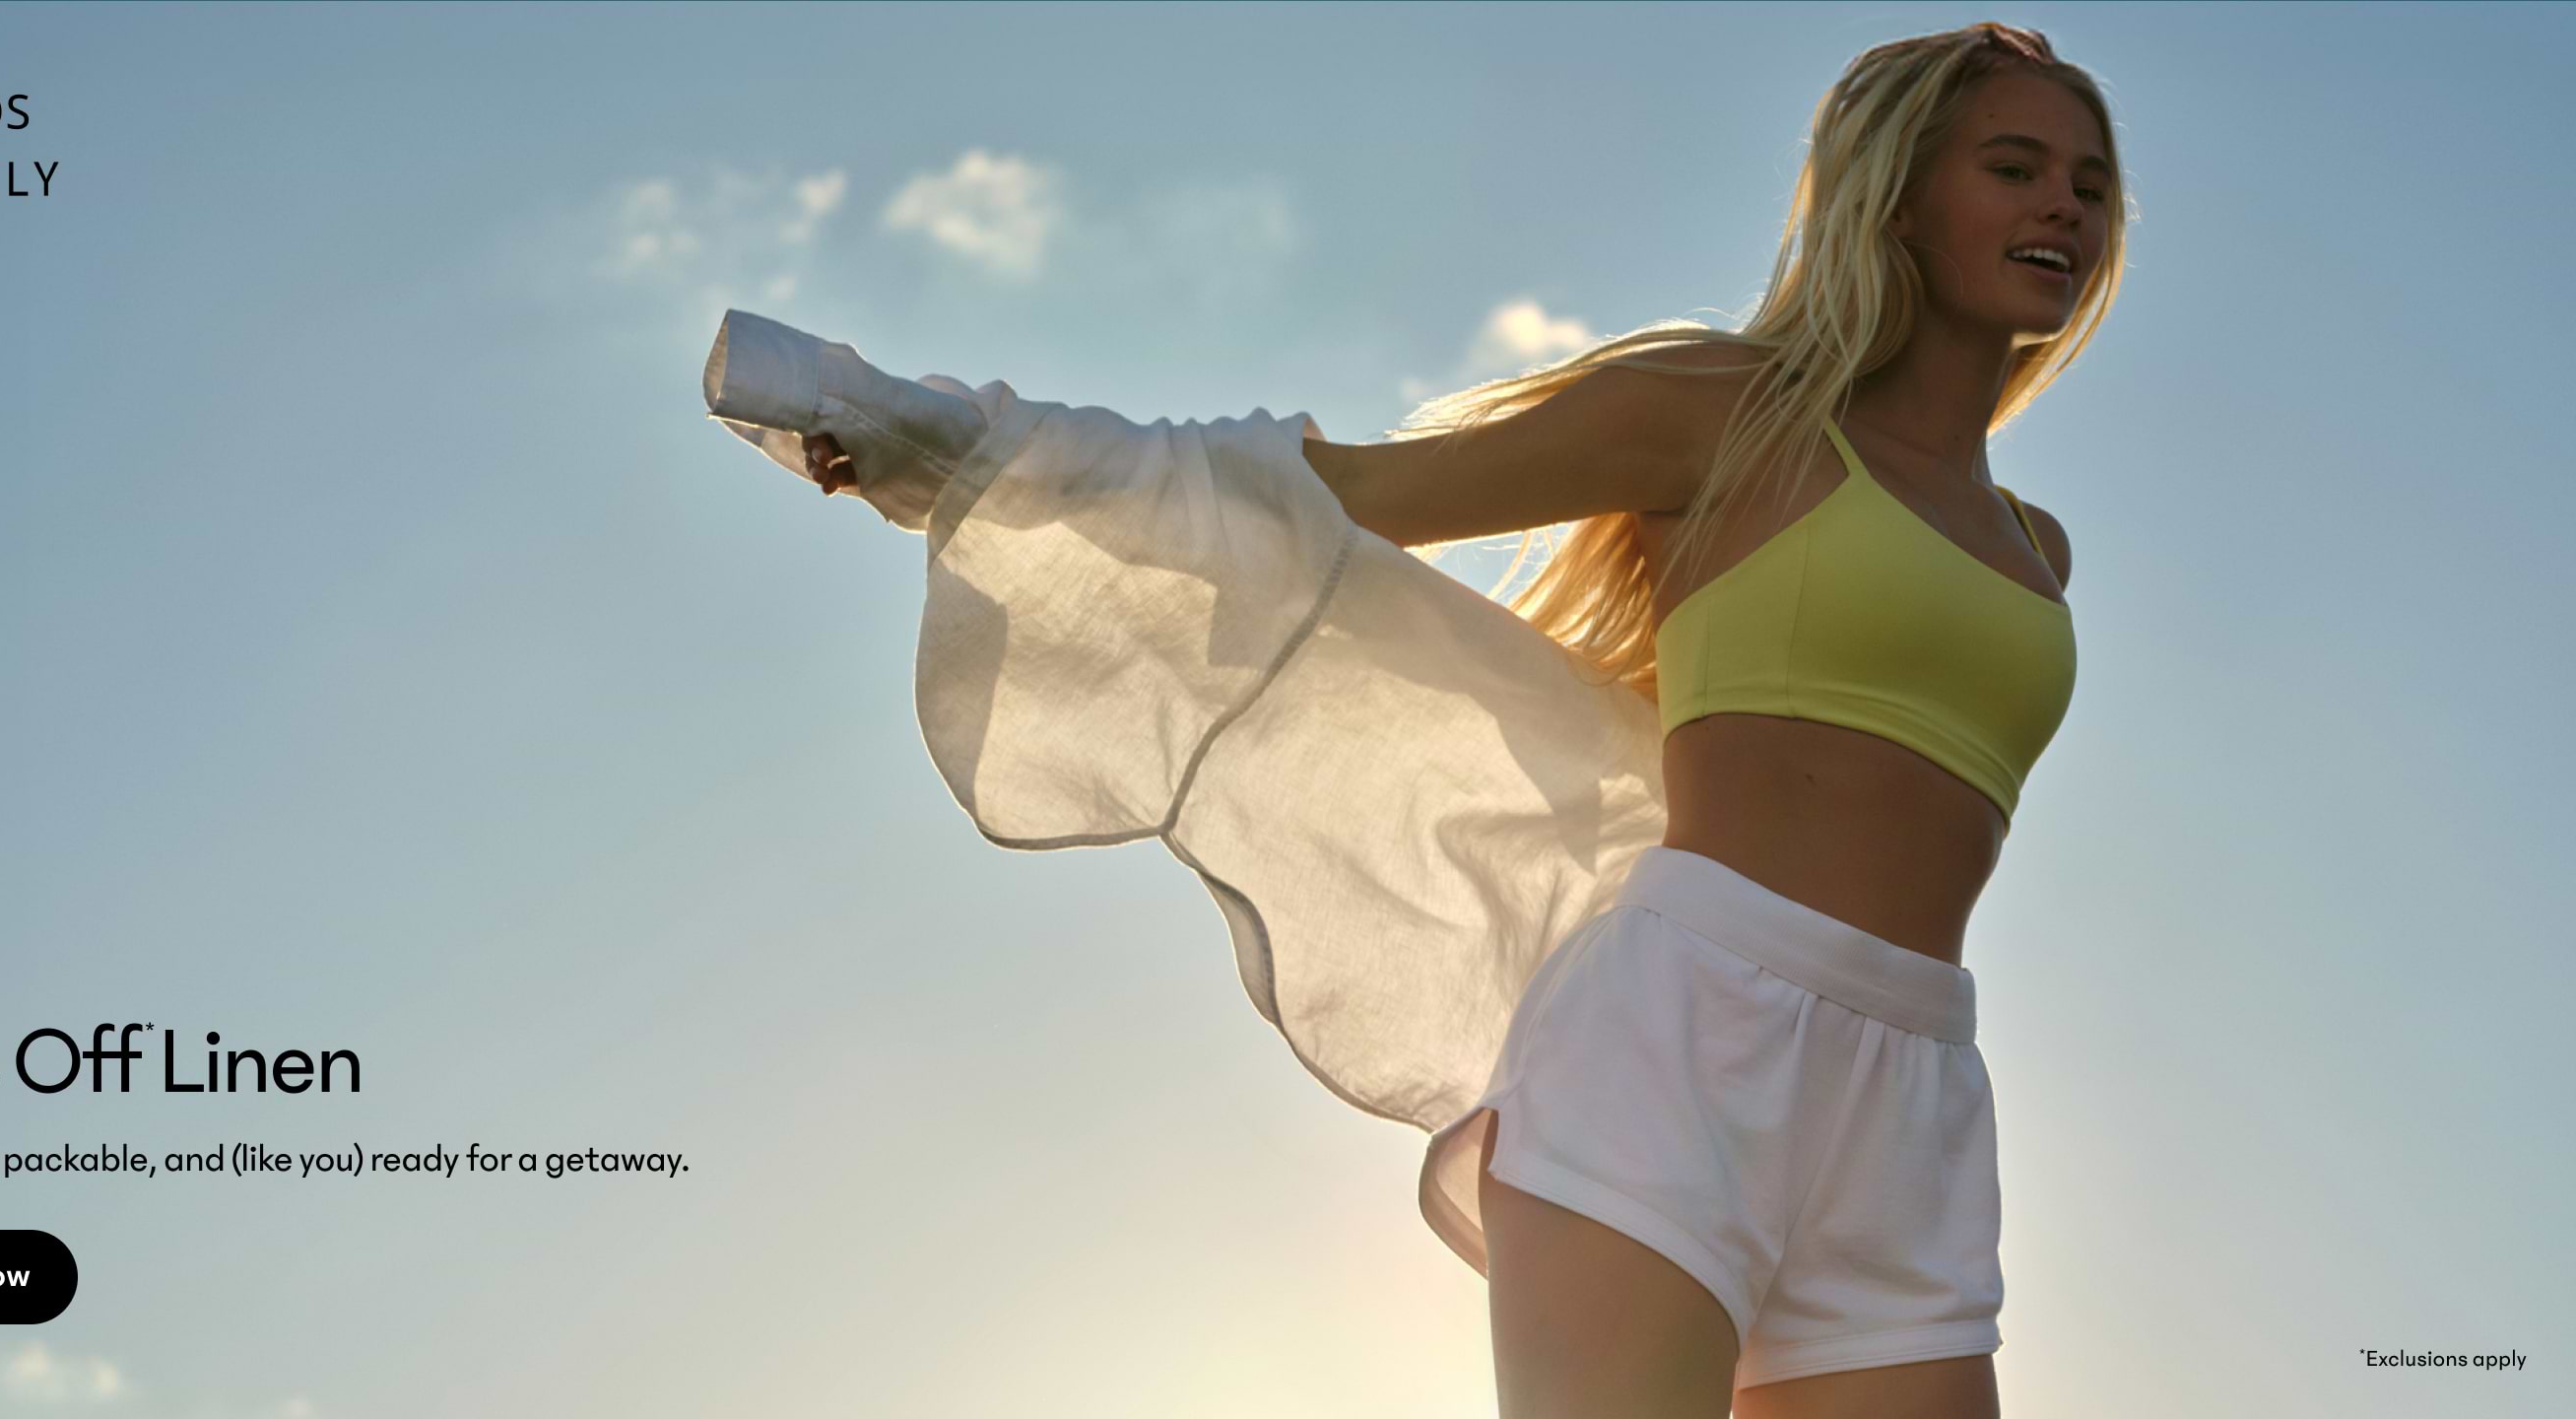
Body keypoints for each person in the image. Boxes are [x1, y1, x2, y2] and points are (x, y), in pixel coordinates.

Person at [752, 21, 2122, 1416]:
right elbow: (1338, 498)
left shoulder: (2035, 550)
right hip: (1681, 1045)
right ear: (1894, 193)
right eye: (2014, 166)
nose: (2064, 204)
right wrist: (951, 451)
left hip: (1920, 1097)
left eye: (2088, 180)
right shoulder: (1726, 416)